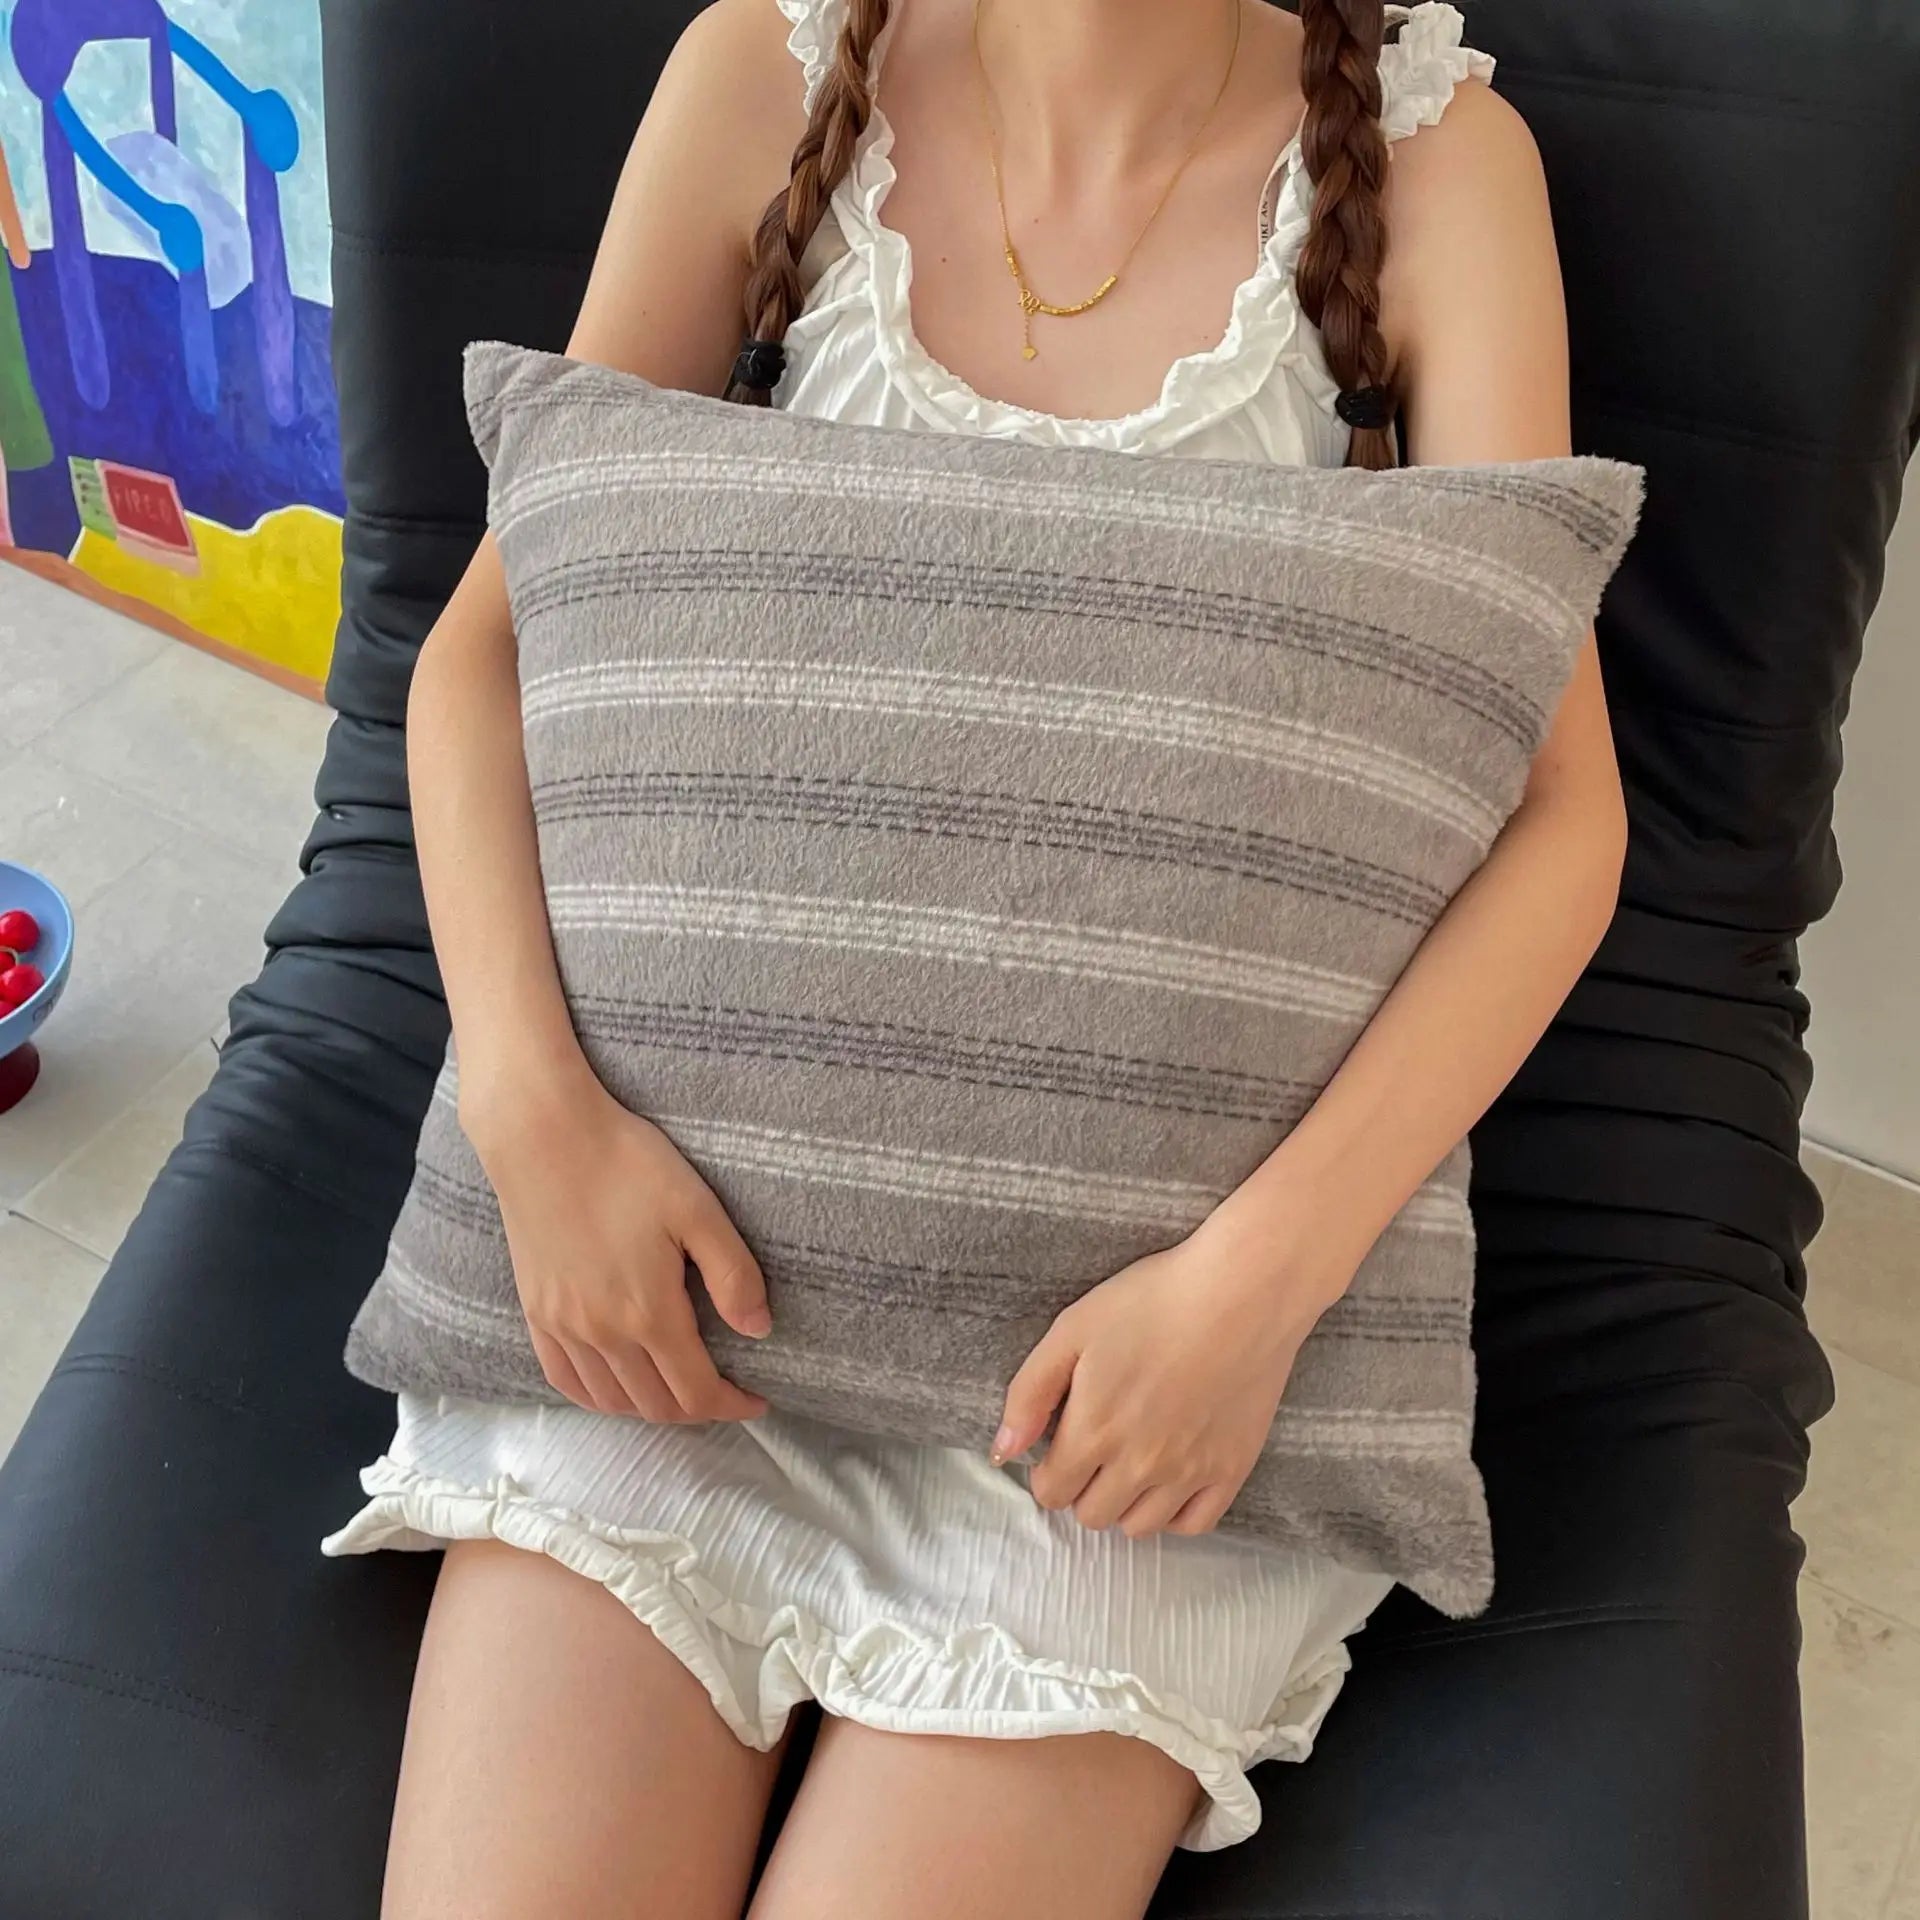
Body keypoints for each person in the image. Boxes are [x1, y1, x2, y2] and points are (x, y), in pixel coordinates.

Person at [321, 1, 1628, 1913]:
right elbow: (485, 655)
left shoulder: (1438, 164)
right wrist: (536, 1122)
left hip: (1128, 1420)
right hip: (675, 1328)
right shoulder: (759, 78)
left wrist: (1252, 1296)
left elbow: (1560, 815)